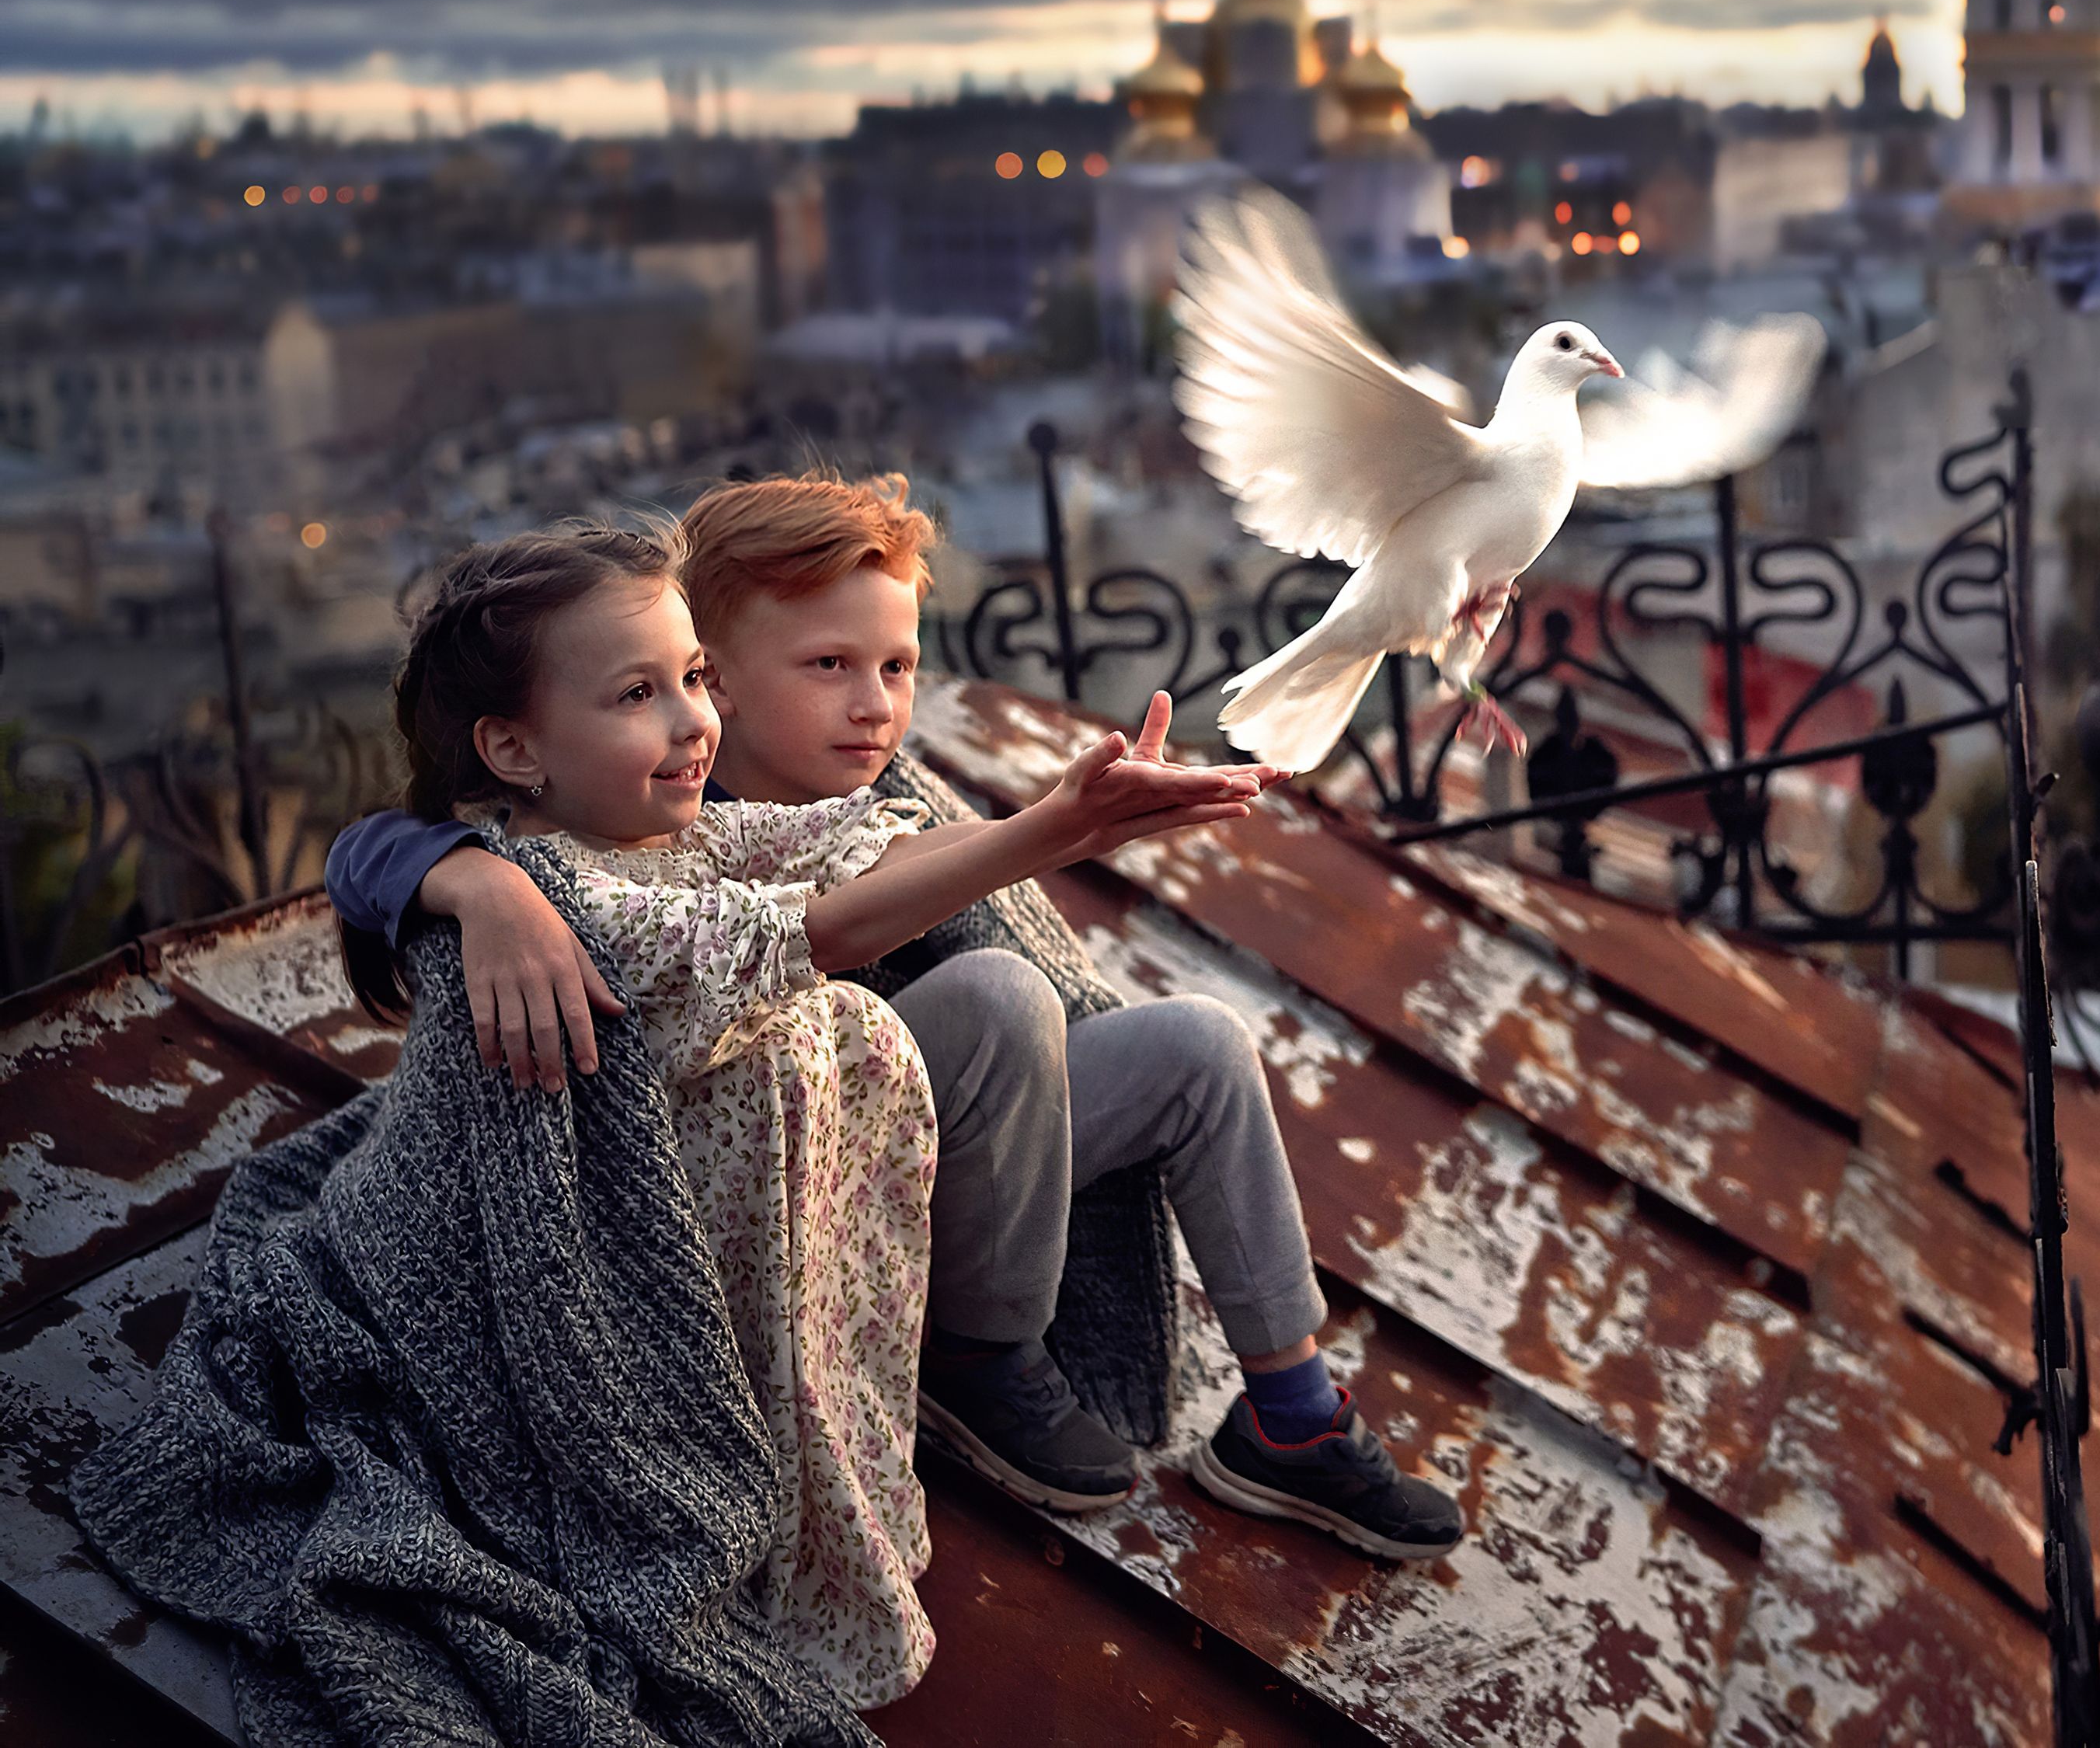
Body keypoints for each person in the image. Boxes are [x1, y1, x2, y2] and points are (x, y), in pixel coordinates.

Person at [326, 474, 1467, 1565]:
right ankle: (980, 1357)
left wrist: (1072, 818)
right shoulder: (645, 806)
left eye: (897, 664)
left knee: (1199, 1045)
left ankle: (1294, 1415)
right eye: (828, 665)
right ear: (716, 672)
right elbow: (384, 840)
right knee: (994, 997)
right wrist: (471, 876)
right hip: (791, 1199)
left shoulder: (881, 790)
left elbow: (934, 875)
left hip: (954, 1162)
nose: (873, 702)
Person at [355, 521, 1267, 1702]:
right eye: (649, 691)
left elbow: (838, 848)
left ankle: (1261, 1403)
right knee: (850, 1021)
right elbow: (811, 925)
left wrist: (1048, 816)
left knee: (981, 1019)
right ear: (512, 744)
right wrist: (1056, 829)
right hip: (624, 1305)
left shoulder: (657, 820)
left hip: (774, 1230)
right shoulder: (569, 883)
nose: (693, 719)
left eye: (690, 682)